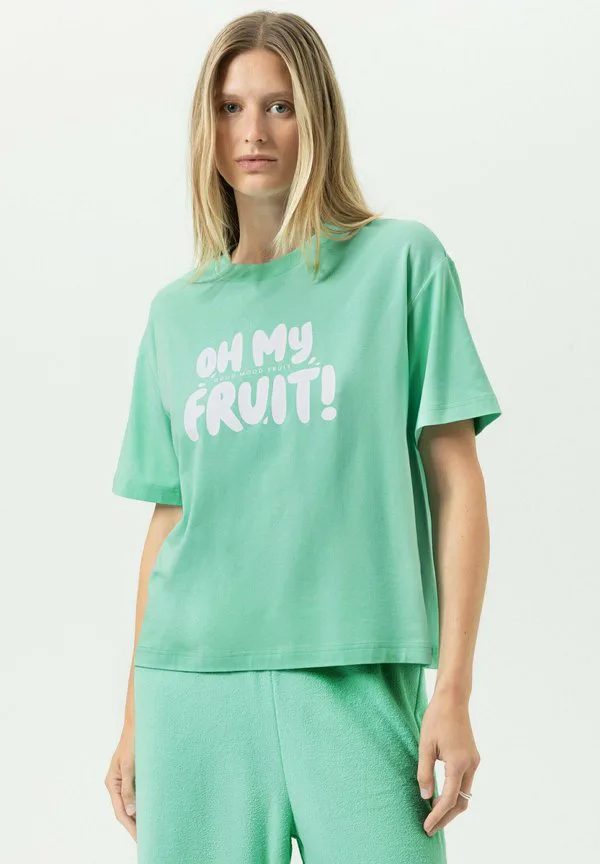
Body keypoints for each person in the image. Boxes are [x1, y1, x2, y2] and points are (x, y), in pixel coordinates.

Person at [104, 10, 502, 864]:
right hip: (193, 692)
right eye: (230, 107)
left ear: (317, 117)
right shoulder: (176, 315)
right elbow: (169, 518)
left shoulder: (402, 264)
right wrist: (134, 717)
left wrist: (454, 689)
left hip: (358, 679)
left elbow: (457, 481)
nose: (252, 132)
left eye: (279, 106)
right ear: (207, 126)